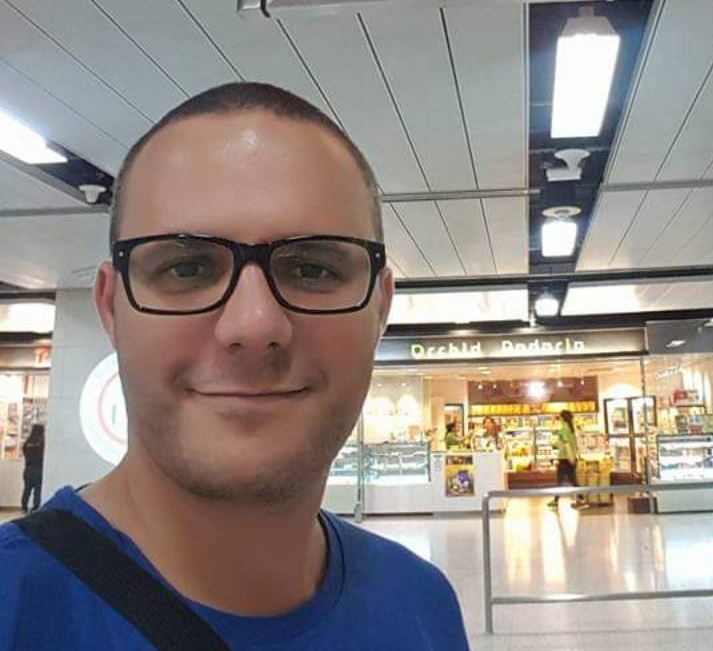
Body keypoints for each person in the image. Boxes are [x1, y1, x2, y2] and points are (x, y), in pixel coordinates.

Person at [0, 83, 468, 650]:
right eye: (187, 268)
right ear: (111, 306)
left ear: (381, 307)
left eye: (313, 269)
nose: (253, 325)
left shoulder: (422, 605)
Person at [548, 409, 579, 508]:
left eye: (560, 417)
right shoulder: (571, 428)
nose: (559, 419)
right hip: (569, 457)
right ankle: (556, 500)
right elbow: (570, 443)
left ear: (562, 418)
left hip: (565, 458)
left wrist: (570, 457)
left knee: (563, 480)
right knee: (570, 479)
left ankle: (580, 499)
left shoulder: (564, 429)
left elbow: (567, 444)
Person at [20, 424, 44, 514]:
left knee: (27, 489)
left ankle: (24, 507)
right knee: (37, 490)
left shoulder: (27, 443)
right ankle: (35, 508)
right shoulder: (41, 444)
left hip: (28, 468)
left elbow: (24, 451)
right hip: (38, 469)